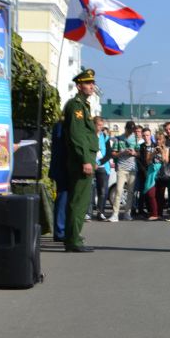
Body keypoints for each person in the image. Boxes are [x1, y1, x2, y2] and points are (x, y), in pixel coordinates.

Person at [61, 69, 99, 252]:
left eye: (92, 82)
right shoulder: (76, 106)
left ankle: (73, 236)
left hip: (84, 158)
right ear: (78, 86)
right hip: (79, 161)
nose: (92, 86)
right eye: (88, 83)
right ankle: (73, 240)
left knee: (80, 200)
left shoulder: (83, 105)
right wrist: (85, 160)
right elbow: (77, 136)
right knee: (79, 201)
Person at [108, 121, 139, 222]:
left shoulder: (135, 139)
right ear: (126, 129)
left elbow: (139, 154)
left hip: (132, 168)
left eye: (132, 130)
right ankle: (115, 214)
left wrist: (134, 153)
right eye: (129, 130)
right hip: (122, 168)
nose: (131, 132)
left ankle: (127, 213)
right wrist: (122, 152)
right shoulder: (118, 138)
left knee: (130, 192)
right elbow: (113, 153)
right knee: (118, 191)